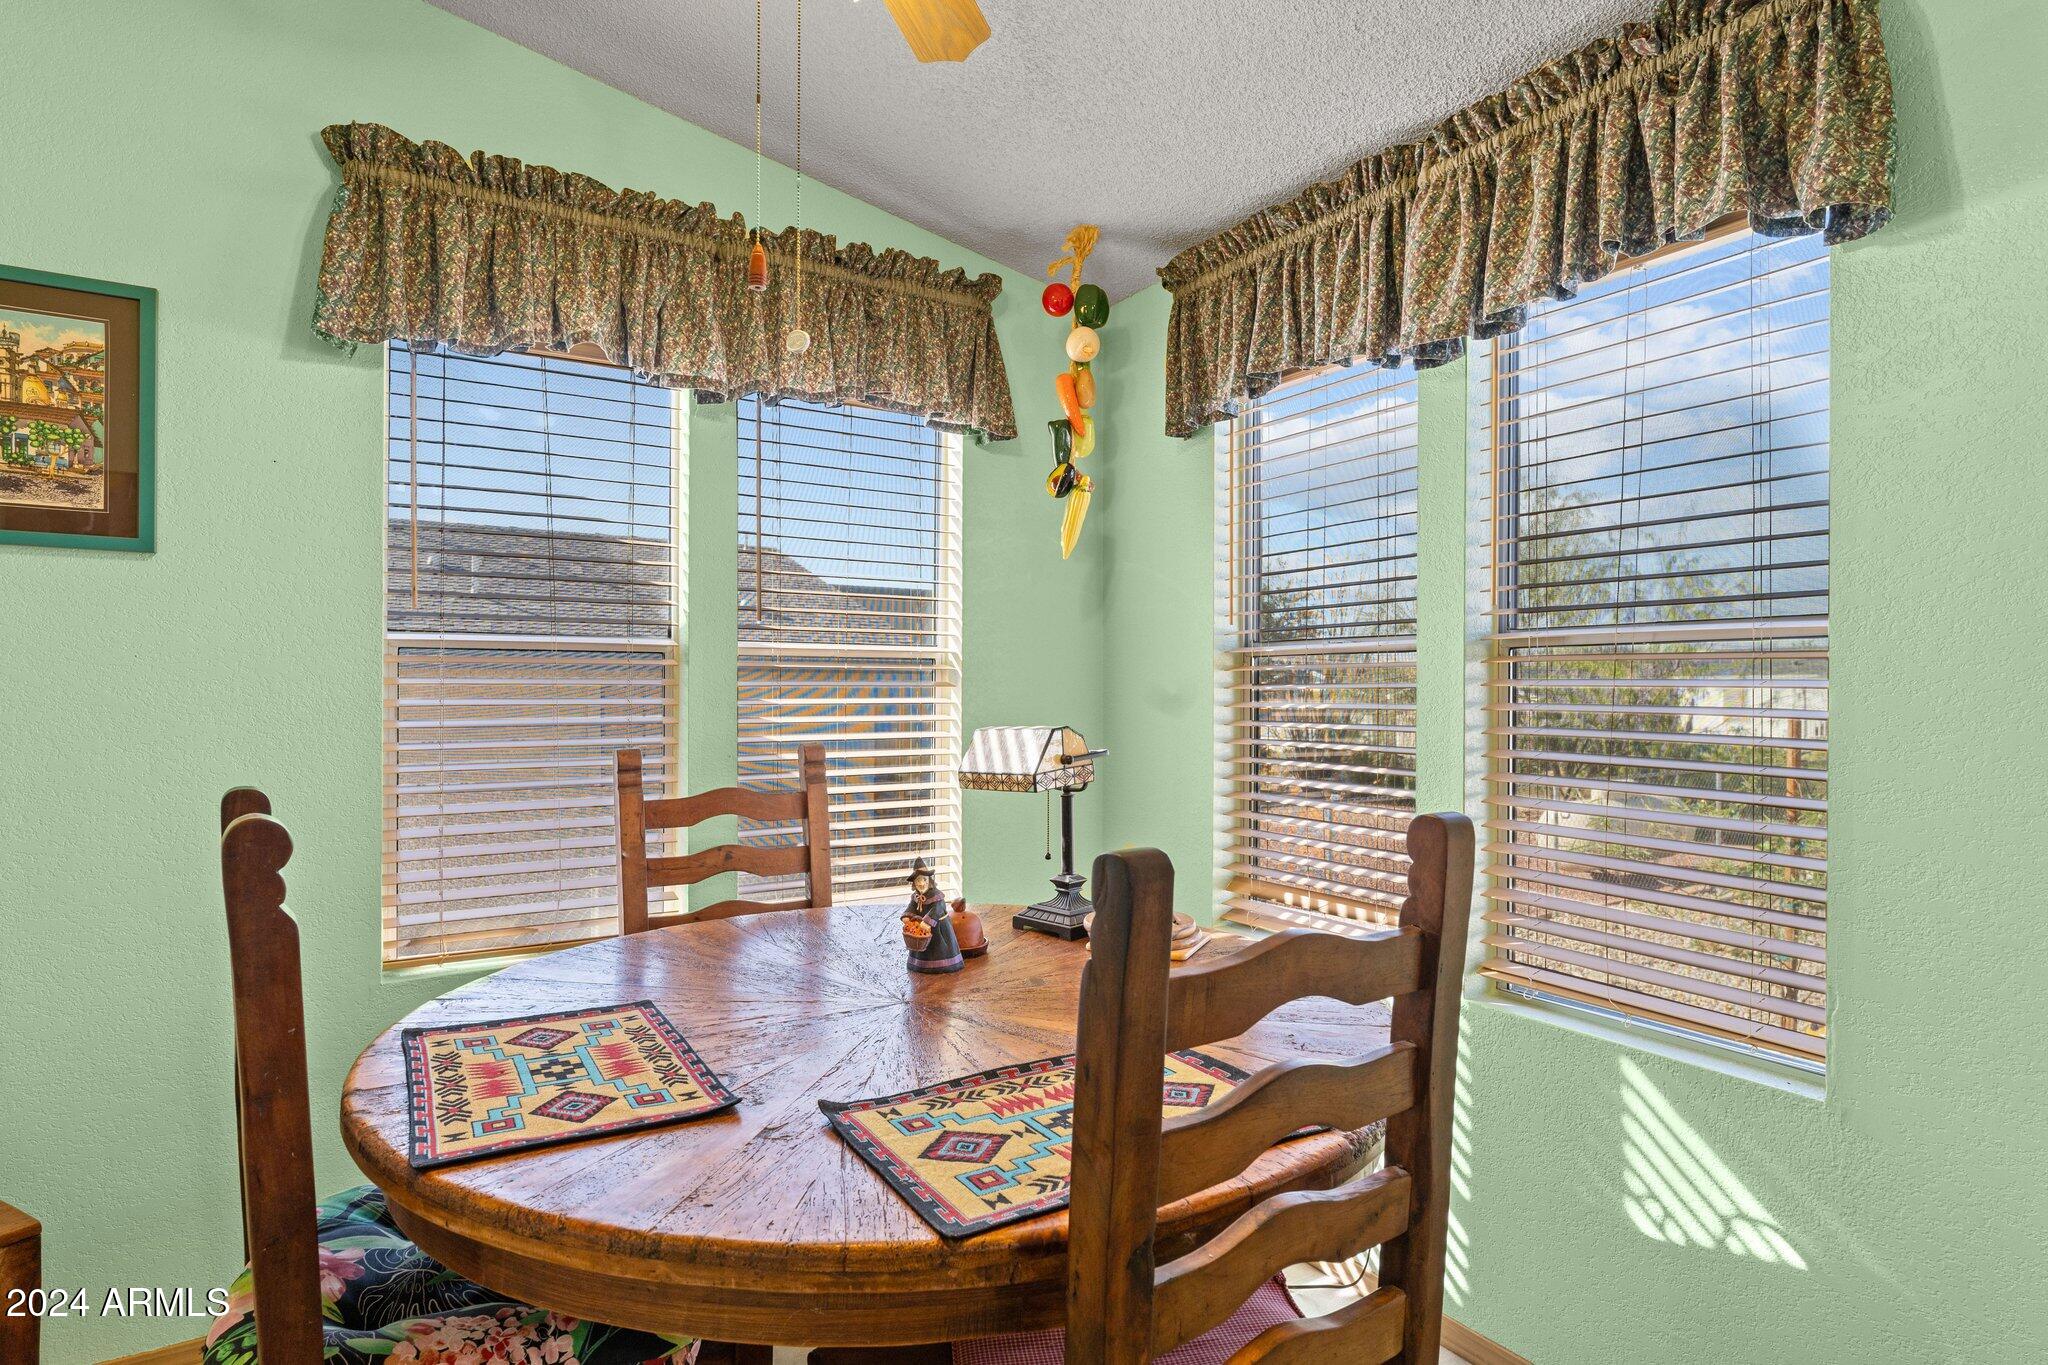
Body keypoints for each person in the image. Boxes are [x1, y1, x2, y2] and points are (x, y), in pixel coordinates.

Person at [901, 857, 963, 973]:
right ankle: (919, 963)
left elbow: (938, 909)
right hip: (921, 931)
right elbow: (912, 906)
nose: (921, 883)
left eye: (924, 879)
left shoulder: (937, 896)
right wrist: (907, 915)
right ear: (914, 883)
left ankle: (943, 964)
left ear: (929, 880)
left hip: (938, 929)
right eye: (918, 881)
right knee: (920, 946)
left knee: (939, 949)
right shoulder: (916, 896)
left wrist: (927, 921)